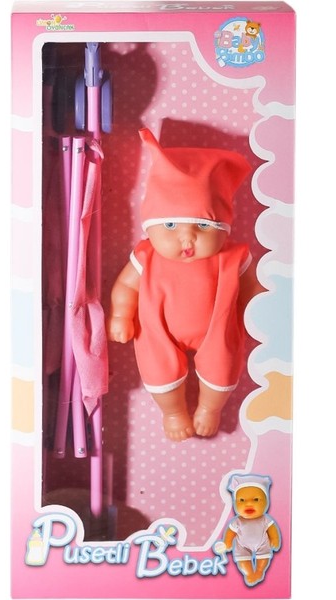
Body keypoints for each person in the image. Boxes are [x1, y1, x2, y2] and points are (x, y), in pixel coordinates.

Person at [108, 128, 261, 441]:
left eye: (203, 225)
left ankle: (209, 408)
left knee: (223, 367)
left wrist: (257, 317)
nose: (187, 238)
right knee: (157, 369)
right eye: (170, 224)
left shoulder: (233, 256)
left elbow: (253, 289)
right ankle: (173, 412)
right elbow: (126, 286)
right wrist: (121, 315)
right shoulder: (147, 255)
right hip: (158, 330)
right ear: (150, 228)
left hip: (217, 330)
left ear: (223, 228)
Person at [214, 474, 281, 586]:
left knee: (264, 557)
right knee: (242, 559)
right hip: (242, 546)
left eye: (256, 499)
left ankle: (260, 571)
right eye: (242, 500)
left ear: (266, 501)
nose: (249, 504)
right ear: (235, 503)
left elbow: (272, 529)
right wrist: (227, 542)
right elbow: (231, 532)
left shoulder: (265, 519)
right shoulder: (238, 521)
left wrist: (275, 539)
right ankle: (249, 573)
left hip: (263, 544)